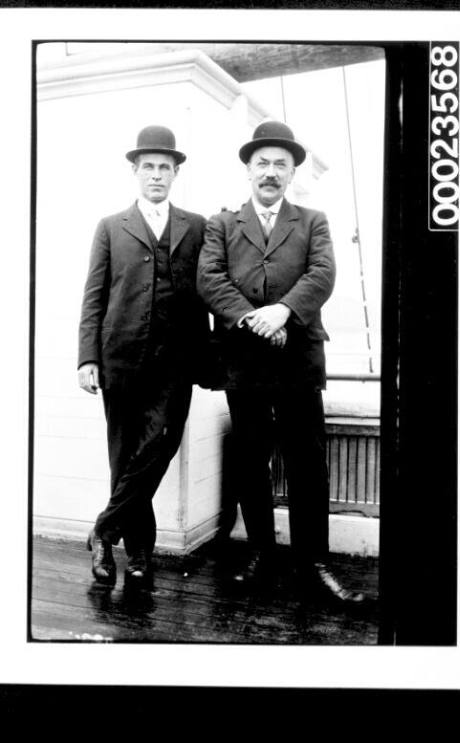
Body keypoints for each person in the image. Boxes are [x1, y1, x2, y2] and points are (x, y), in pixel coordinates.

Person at [197, 120, 364, 603]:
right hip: (244, 361)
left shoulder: (313, 221)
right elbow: (209, 280)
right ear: (248, 170)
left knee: (307, 462)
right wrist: (254, 319)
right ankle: (261, 555)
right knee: (251, 458)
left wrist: (284, 311)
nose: (271, 173)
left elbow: (323, 273)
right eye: (262, 164)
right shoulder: (222, 225)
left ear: (292, 174)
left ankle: (314, 563)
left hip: (298, 361)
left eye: (281, 165)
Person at [78, 125, 209, 585]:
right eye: (149, 167)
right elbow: (94, 295)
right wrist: (87, 357)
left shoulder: (198, 226)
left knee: (158, 447)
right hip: (120, 359)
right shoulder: (112, 226)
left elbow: (209, 291)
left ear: (175, 174)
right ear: (135, 172)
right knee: (124, 455)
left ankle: (103, 530)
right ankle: (136, 553)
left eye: (165, 168)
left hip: (176, 363)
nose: (157, 174)